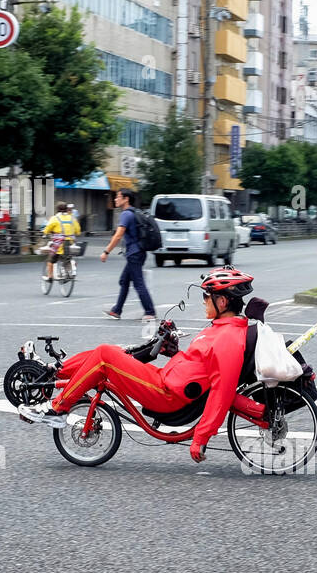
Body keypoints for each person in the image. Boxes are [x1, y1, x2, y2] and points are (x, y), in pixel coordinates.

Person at [20, 268, 261, 462]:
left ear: (222, 300)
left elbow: (223, 392)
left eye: (206, 297)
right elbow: (199, 365)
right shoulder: (222, 328)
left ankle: (56, 410)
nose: (204, 302)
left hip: (167, 396)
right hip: (165, 380)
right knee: (114, 351)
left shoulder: (228, 339)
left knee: (105, 354)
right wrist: (173, 353)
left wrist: (201, 437)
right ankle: (52, 373)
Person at [99, 188, 155, 320]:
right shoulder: (133, 212)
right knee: (124, 281)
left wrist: (106, 251)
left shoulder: (126, 214)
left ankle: (150, 311)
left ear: (126, 199)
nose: (115, 199)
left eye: (118, 197)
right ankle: (117, 310)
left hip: (134, 254)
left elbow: (118, 235)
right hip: (137, 252)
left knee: (138, 283)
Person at [41, 202, 81, 281]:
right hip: (70, 244)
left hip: (59, 245)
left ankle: (50, 277)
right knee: (67, 257)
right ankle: (69, 270)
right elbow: (78, 231)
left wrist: (44, 233)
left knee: (51, 260)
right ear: (66, 209)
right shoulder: (72, 218)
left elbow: (47, 229)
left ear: (57, 209)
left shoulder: (55, 218)